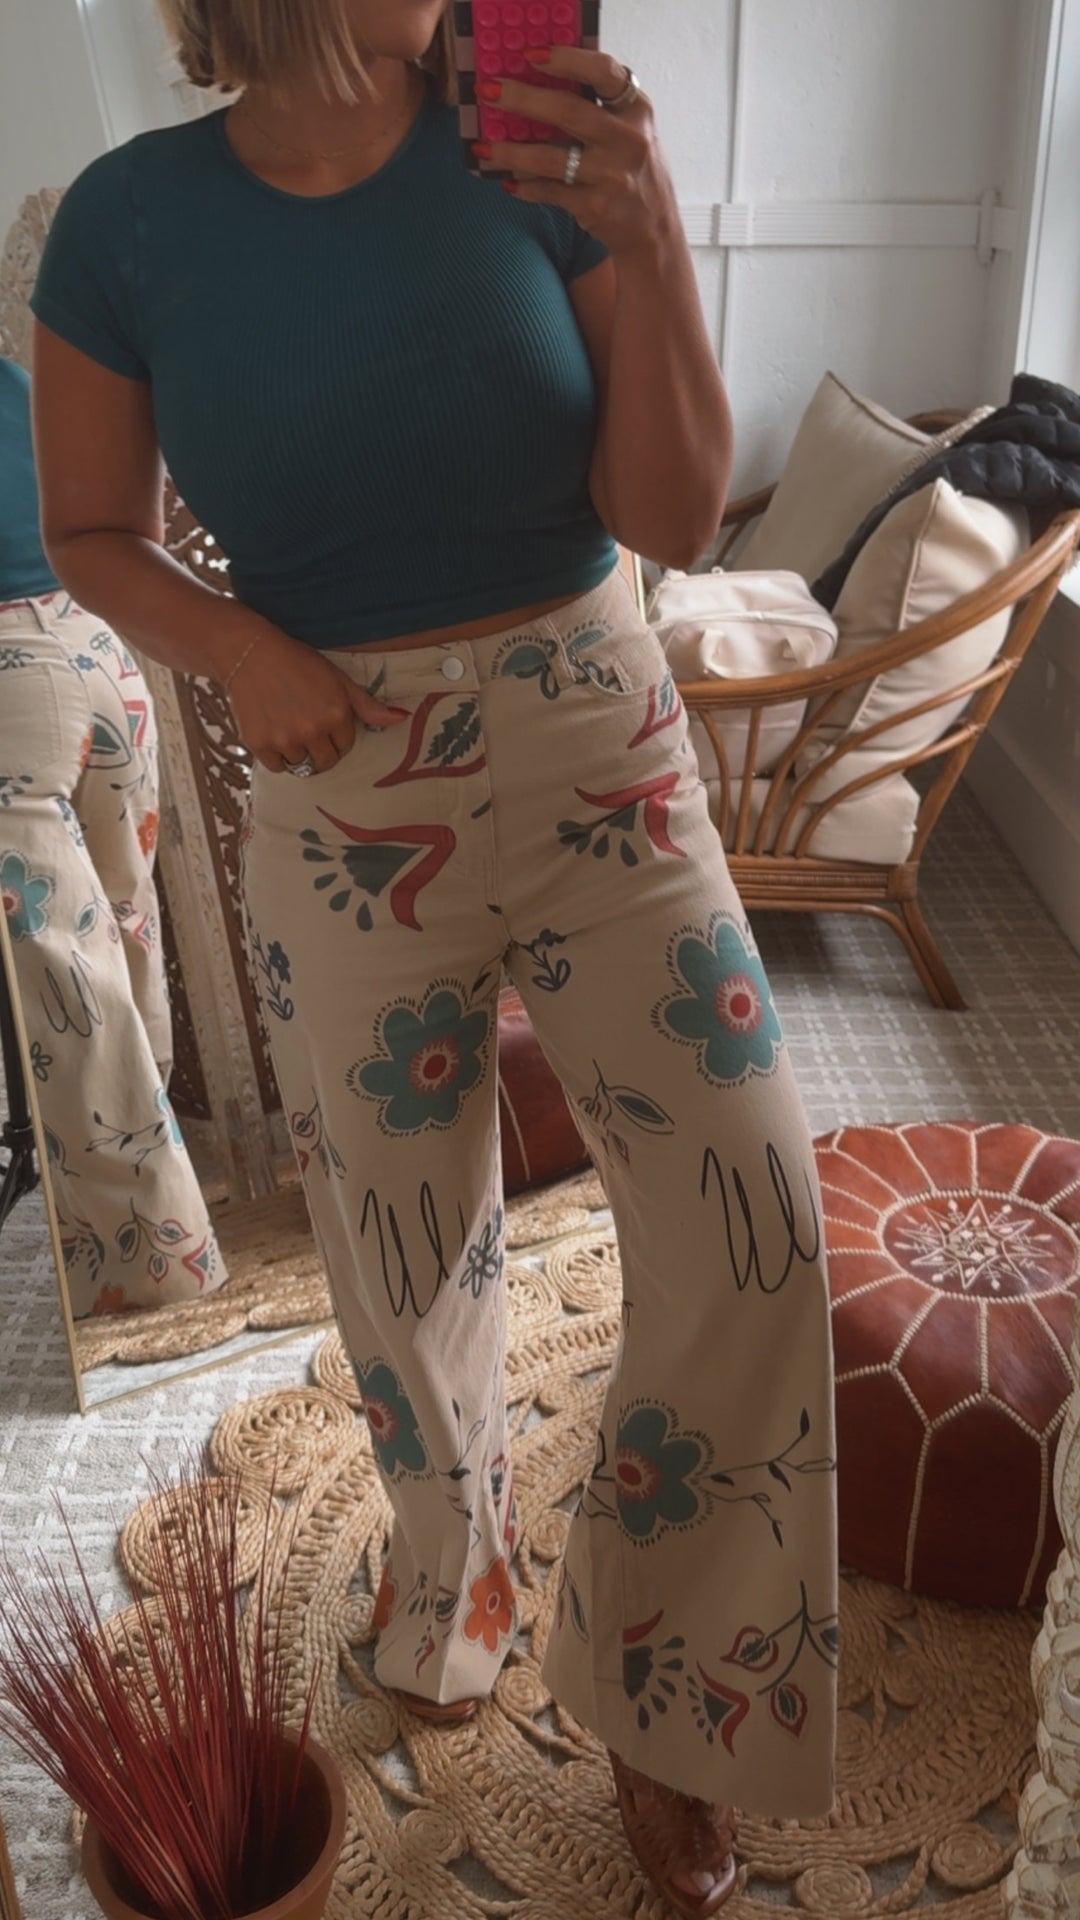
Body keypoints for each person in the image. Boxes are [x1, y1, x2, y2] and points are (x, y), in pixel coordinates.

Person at [28, 2, 837, 1907]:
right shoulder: (126, 224)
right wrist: (236, 648)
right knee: (403, 1250)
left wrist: (649, 231)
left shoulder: (535, 158)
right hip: (341, 779)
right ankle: (453, 1582)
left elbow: (670, 514)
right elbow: (90, 533)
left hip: (601, 751)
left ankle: (671, 1703)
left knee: (756, 1226)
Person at [0, 355, 226, 1316]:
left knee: (66, 992)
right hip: (98, 652)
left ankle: (154, 1278)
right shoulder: (16, 378)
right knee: (122, 947)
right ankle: (165, 1228)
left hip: (11, 684)